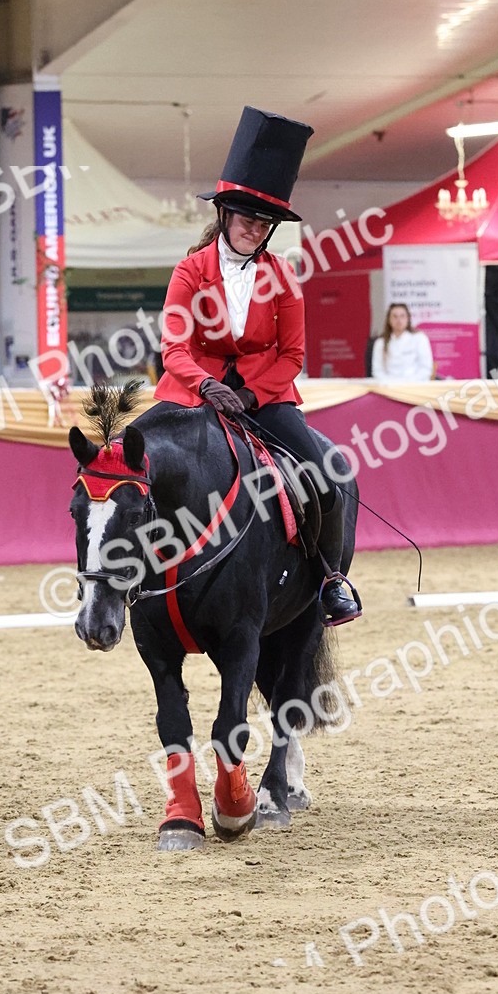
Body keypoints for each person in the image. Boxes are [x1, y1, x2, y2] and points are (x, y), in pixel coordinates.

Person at [155, 106, 359, 626]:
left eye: (265, 223)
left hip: (265, 398)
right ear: (225, 213)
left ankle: (331, 581)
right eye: (248, 218)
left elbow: (292, 356)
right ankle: (118, 579)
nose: (255, 229)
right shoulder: (189, 271)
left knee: (323, 478)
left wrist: (248, 394)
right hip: (192, 394)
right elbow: (173, 347)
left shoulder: (283, 276)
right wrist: (206, 385)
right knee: (131, 464)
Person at [371, 304, 434, 381]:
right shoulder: (380, 342)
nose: (399, 320)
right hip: (388, 385)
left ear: (408, 319)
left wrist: (408, 382)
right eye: (395, 316)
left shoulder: (420, 338)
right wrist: (391, 383)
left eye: (402, 316)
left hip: (414, 384)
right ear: (389, 320)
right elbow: (377, 371)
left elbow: (426, 369)